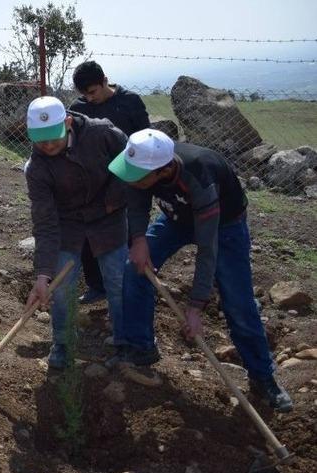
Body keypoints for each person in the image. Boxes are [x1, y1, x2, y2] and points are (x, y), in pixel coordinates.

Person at [106, 128, 293, 412]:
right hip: (176, 218)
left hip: (223, 226)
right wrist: (139, 239)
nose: (129, 179)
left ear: (163, 170)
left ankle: (262, 378)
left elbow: (208, 250)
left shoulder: (200, 177)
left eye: (137, 175)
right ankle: (141, 347)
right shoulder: (145, 163)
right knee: (135, 269)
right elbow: (136, 196)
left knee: (238, 303)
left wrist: (195, 307)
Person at [23, 96, 129, 369]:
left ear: (68, 122)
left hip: (108, 216)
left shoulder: (102, 133)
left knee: (117, 281)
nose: (47, 145)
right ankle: (63, 342)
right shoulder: (36, 168)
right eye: (40, 140)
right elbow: (45, 222)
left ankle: (125, 341)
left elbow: (132, 162)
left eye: (53, 137)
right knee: (61, 286)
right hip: (67, 223)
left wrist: (114, 199)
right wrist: (43, 274)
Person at [70, 60, 151, 305]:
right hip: (92, 186)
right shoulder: (79, 108)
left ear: (105, 80)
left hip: (127, 181)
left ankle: (134, 283)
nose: (89, 98)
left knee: (130, 234)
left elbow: (145, 139)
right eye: (84, 94)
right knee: (87, 237)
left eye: (93, 92)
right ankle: (97, 286)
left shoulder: (130, 102)